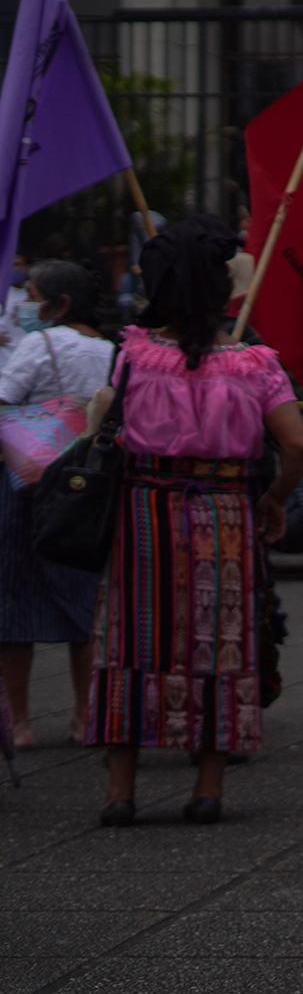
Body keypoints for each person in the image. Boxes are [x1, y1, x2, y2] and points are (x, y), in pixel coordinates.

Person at [87, 218, 303, 826]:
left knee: (135, 637)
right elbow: (298, 446)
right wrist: (274, 500)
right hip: (224, 512)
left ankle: (121, 793)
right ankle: (207, 788)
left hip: (142, 512)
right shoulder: (254, 363)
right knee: (218, 638)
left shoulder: (132, 356)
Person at [0, 261, 115, 749]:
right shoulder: (115, 352)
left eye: (33, 295)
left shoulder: (36, 345)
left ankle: (20, 723)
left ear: (59, 304)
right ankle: (84, 716)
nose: (27, 306)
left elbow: (3, 400)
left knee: (13, 607)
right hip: (86, 491)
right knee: (85, 604)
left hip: (28, 486)